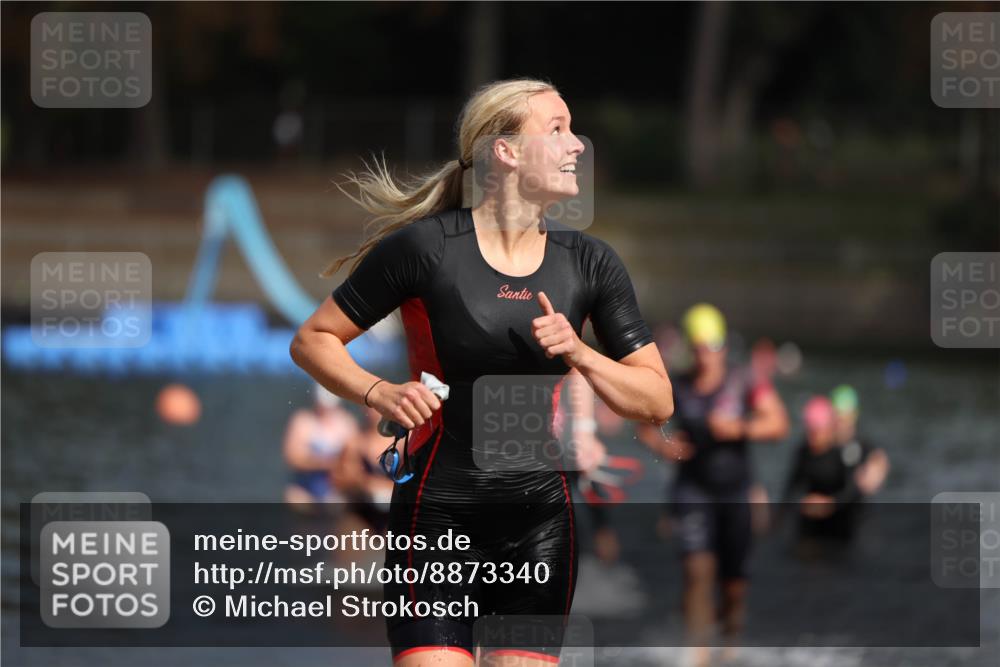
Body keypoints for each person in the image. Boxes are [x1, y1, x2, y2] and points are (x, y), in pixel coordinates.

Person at [290, 78, 673, 667]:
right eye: (557, 129)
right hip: (436, 516)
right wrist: (379, 392)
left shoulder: (590, 264)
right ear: (506, 151)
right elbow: (314, 340)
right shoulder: (426, 250)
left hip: (538, 523)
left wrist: (580, 352)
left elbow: (656, 400)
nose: (577, 145)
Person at [645, 303, 788, 666]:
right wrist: (664, 445)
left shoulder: (744, 381)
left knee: (734, 585)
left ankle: (728, 646)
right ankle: (697, 656)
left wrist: (739, 428)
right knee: (697, 570)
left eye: (713, 346)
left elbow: (778, 424)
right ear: (690, 349)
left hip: (735, 492)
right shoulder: (677, 385)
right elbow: (644, 421)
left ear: (724, 346)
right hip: (692, 489)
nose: (706, 355)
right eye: (699, 347)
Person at [783, 391, 889, 541]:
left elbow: (856, 487)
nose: (843, 424)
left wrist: (829, 504)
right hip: (813, 524)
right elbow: (791, 486)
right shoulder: (803, 451)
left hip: (844, 523)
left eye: (846, 418)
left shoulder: (849, 450)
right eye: (810, 432)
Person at [282, 383, 361, 508]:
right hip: (305, 491)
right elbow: (293, 457)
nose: (326, 412)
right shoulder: (303, 421)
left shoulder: (347, 423)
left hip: (334, 493)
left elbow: (354, 463)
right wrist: (326, 463)